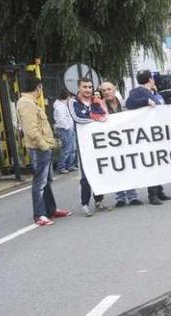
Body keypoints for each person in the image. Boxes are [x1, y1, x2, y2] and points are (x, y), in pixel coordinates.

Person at [17, 76, 70, 226]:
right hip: (39, 148)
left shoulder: (30, 102)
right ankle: (39, 215)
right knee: (40, 183)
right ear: (38, 88)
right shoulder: (27, 103)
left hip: (43, 147)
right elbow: (31, 130)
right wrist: (44, 145)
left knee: (46, 181)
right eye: (41, 88)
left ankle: (51, 210)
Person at [126, 70, 171, 205]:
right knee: (152, 164)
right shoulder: (138, 92)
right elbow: (130, 103)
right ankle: (152, 195)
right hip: (148, 134)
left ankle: (160, 191)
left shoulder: (152, 92)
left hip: (158, 133)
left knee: (159, 163)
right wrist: (146, 101)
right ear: (150, 79)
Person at [71, 77, 113, 215]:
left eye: (90, 87)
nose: (88, 89)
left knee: (98, 171)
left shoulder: (95, 101)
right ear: (79, 88)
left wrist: (94, 115)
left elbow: (103, 115)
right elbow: (77, 118)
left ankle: (99, 200)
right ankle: (84, 203)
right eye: (85, 87)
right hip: (83, 143)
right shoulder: (73, 102)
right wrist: (95, 118)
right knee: (85, 175)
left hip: (97, 143)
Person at [100, 81, 141, 206]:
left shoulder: (124, 103)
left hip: (126, 141)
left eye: (109, 89)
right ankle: (120, 198)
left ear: (114, 89)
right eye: (104, 91)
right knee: (115, 169)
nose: (107, 92)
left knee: (128, 167)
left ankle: (132, 196)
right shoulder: (100, 106)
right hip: (110, 142)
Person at [52, 89, 76, 174]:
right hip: (65, 129)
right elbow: (61, 120)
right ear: (67, 97)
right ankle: (61, 166)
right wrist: (68, 127)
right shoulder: (60, 107)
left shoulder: (63, 105)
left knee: (72, 148)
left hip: (68, 129)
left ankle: (69, 165)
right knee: (66, 148)